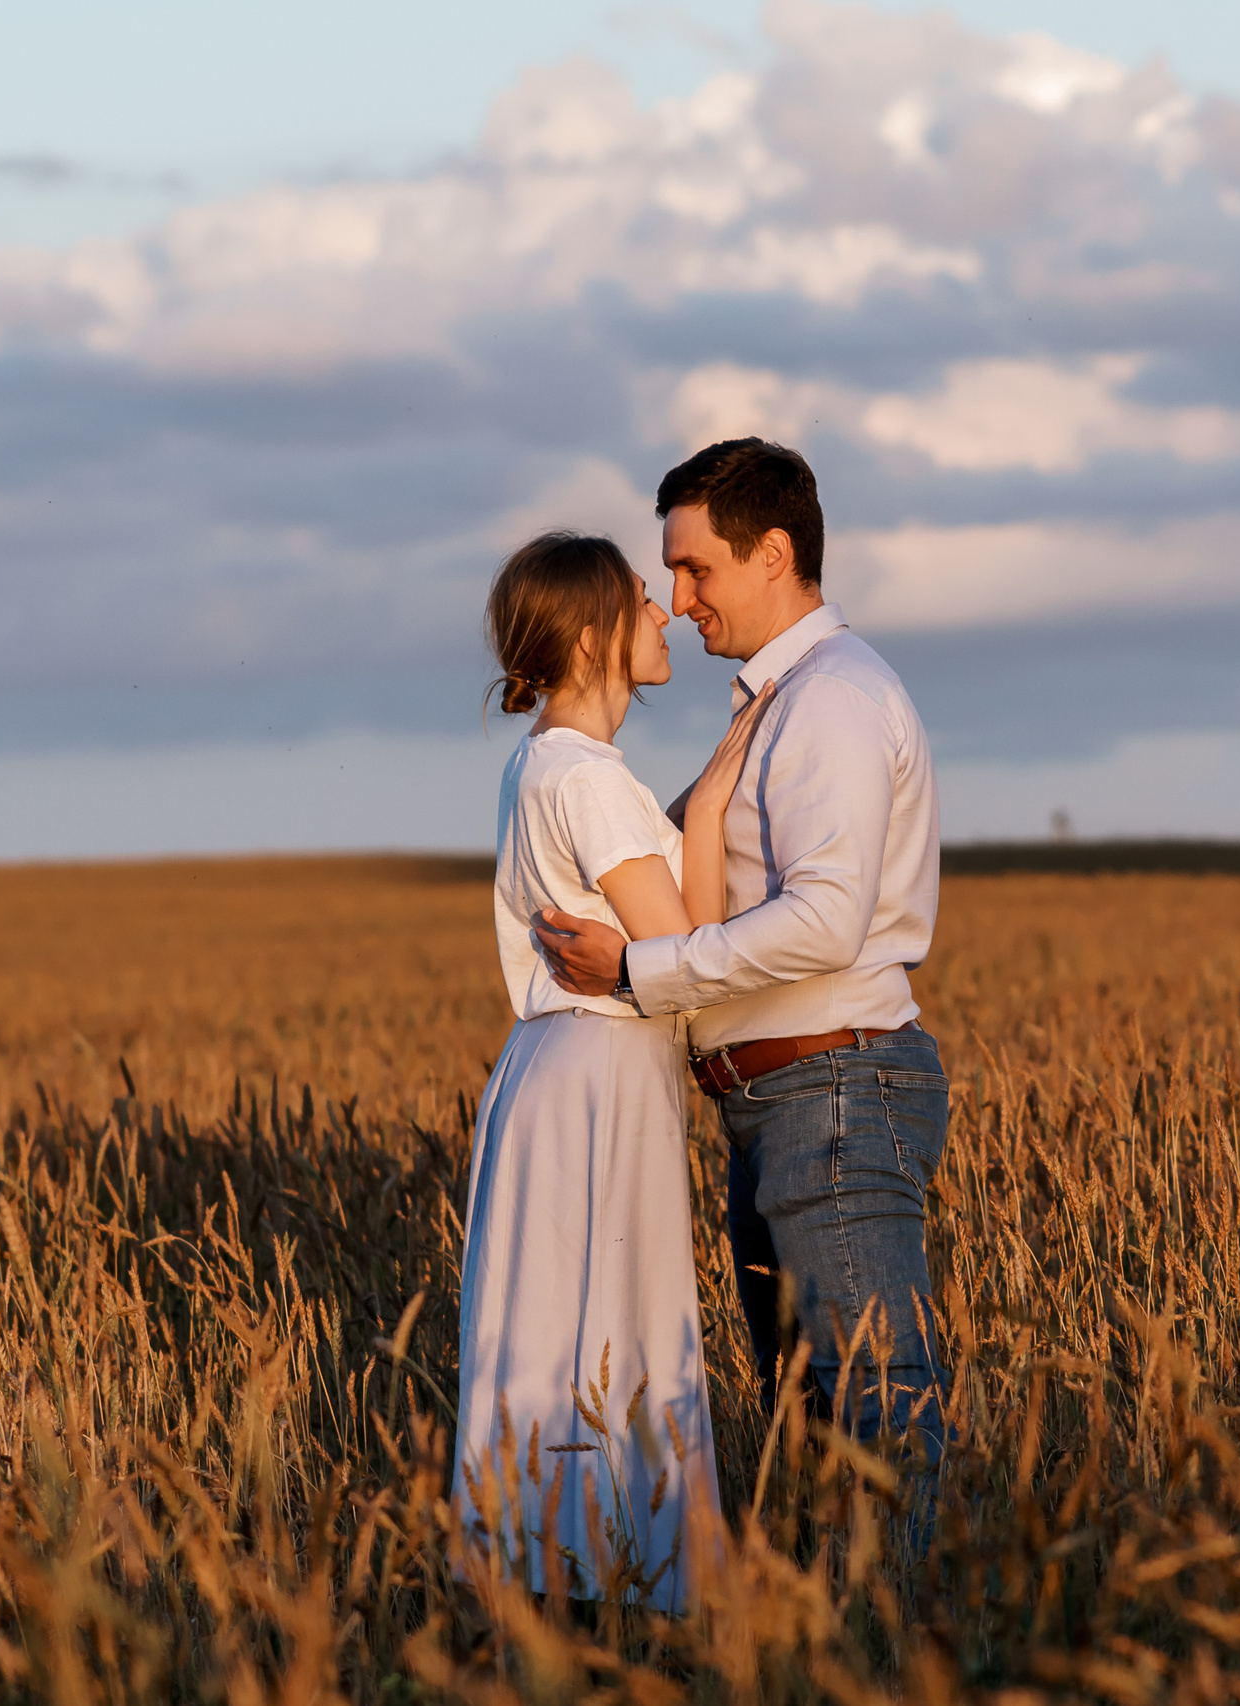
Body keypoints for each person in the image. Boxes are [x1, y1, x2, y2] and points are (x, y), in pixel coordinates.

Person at [535, 439, 950, 1473]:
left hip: (832, 1086)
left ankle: (918, 1587)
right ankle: (838, 1583)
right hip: (787, 1095)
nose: (678, 600)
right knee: (811, 1423)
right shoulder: (779, 700)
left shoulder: (831, 698)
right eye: (671, 575)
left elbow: (824, 921)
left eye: (695, 569)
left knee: (874, 1404)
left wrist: (635, 973)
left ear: (772, 553)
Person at [456, 530, 772, 1615]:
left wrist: (696, 802)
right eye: (643, 598)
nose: (666, 611)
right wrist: (714, 806)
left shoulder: (545, 761)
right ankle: (627, 1589)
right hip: (599, 1063)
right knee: (614, 1330)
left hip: (561, 1064)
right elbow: (683, 950)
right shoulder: (587, 777)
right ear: (592, 637)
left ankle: (550, 1585)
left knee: (555, 1332)